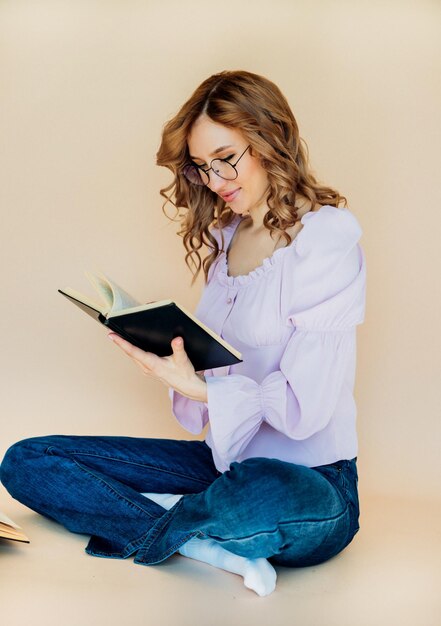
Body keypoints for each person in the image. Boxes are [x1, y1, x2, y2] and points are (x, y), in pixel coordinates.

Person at [0, 70, 366, 597]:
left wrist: (203, 389)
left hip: (311, 480)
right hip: (222, 467)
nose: (215, 180)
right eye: (201, 166)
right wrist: (170, 362)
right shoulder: (226, 238)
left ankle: (169, 519)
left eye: (227, 158)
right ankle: (199, 538)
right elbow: (209, 391)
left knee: (258, 497)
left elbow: (306, 409)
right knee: (29, 461)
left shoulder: (327, 241)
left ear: (269, 139)